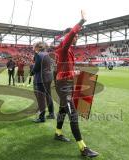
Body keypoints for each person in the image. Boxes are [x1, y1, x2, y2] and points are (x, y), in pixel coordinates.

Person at [54, 10, 99, 158]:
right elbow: (71, 35)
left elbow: (64, 69)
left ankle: (58, 133)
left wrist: (74, 73)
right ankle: (83, 148)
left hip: (66, 83)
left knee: (62, 109)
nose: (77, 38)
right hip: (63, 85)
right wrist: (81, 21)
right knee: (73, 114)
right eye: (76, 36)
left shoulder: (69, 51)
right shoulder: (64, 48)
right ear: (69, 38)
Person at [31, 42, 55, 123]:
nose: (33, 48)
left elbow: (36, 67)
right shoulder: (46, 54)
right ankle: (51, 113)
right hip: (48, 78)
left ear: (37, 47)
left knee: (41, 98)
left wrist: (32, 72)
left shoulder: (39, 54)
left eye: (33, 47)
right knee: (48, 96)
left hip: (41, 79)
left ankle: (42, 117)